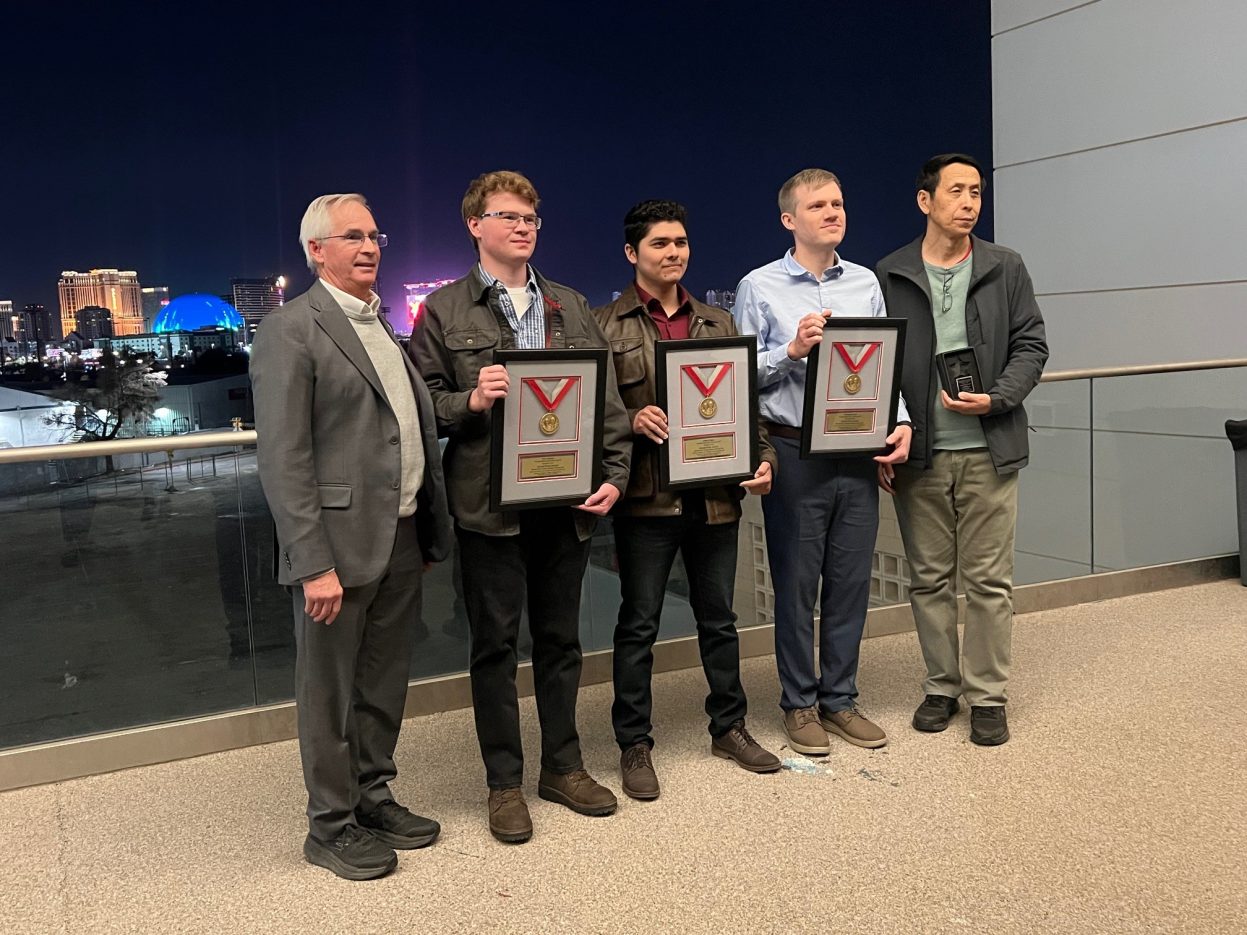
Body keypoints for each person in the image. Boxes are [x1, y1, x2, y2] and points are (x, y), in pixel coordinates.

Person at [411, 171, 631, 843]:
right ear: (474, 224)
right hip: (487, 506)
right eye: (507, 216)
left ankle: (562, 766)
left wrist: (615, 475)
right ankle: (503, 782)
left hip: (565, 504)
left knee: (562, 641)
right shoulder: (445, 310)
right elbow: (423, 405)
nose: (522, 227)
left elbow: (609, 404)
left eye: (530, 217)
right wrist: (469, 401)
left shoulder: (569, 304)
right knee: (496, 648)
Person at [251, 193, 454, 880]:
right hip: (334, 548)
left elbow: (402, 431)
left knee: (381, 681)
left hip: (398, 536)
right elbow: (284, 457)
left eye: (375, 235)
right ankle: (329, 824)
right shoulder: (290, 329)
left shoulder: (383, 326)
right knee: (329, 690)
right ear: (317, 250)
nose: (369, 247)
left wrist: (425, 528)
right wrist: (311, 562)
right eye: (352, 236)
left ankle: (372, 794)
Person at [593, 200, 781, 800]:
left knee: (719, 620)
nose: (673, 253)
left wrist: (764, 459)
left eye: (680, 242)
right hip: (647, 500)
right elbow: (588, 416)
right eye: (659, 245)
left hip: (714, 497)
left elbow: (744, 405)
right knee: (639, 624)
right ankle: (634, 743)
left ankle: (729, 727)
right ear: (632, 254)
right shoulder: (605, 326)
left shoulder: (718, 324)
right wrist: (627, 416)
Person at [733, 169, 912, 755]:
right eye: (818, 205)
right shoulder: (759, 287)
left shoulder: (864, 283)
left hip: (856, 447)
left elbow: (882, 366)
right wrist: (791, 351)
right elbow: (735, 379)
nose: (832, 212)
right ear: (790, 220)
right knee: (796, 582)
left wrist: (901, 421)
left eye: (838, 202)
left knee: (850, 580)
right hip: (792, 449)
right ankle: (799, 704)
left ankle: (840, 700)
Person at [876, 153, 1047, 746]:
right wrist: (882, 436)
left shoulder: (1006, 265)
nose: (970, 202)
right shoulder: (890, 272)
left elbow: (1032, 344)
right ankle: (941, 685)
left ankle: (987, 695)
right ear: (926, 201)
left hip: (989, 448)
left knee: (988, 581)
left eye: (976, 191)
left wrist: (997, 399)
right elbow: (878, 364)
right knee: (927, 578)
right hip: (918, 453)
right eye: (957, 191)